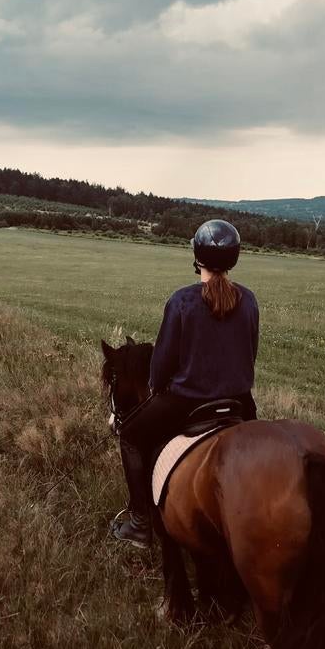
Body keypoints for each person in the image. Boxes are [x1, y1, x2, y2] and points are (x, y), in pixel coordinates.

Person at [111, 219, 259, 548]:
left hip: (188, 402)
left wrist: (159, 384)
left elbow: (161, 367)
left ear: (197, 257)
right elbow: (251, 354)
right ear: (234, 257)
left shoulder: (182, 301)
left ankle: (139, 523)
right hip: (239, 402)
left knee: (131, 436)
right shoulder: (248, 300)